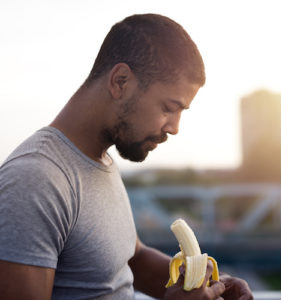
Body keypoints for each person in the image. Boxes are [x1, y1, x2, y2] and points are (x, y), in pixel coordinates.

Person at [0, 13, 253, 300]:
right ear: (120, 81)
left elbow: (132, 259)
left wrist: (213, 285)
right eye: (169, 108)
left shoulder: (100, 161)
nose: (175, 127)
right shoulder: (35, 180)